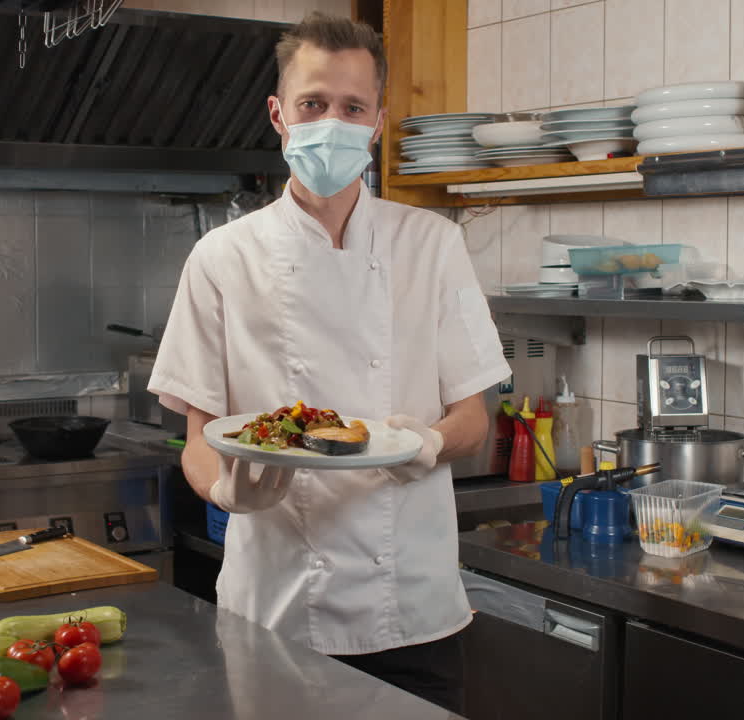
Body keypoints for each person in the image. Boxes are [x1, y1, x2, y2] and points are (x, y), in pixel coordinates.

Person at [148, 12, 509, 713]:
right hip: (275, 610)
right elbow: (199, 440)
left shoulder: (432, 245)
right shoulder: (222, 258)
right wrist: (225, 492)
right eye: (313, 104)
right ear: (278, 115)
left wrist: (427, 442)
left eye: (352, 107)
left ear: (377, 122)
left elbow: (473, 421)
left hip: (412, 608)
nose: (332, 124)